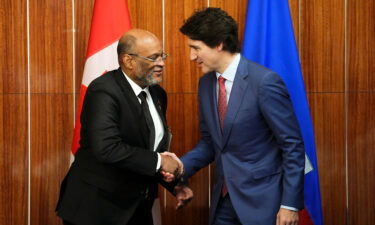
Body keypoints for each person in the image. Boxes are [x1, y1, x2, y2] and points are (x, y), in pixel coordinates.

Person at [178, 8, 305, 225]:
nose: (192, 57)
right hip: (224, 203)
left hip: (265, 204)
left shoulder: (264, 82)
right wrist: (180, 166)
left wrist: (289, 205)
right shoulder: (206, 84)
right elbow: (211, 143)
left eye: (195, 48)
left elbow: (292, 145)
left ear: (218, 44)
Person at [56, 29, 192, 225]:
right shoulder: (103, 90)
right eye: (153, 58)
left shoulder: (158, 94)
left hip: (136, 208)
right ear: (128, 61)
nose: (161, 63)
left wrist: (175, 185)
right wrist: (160, 161)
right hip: (96, 209)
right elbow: (107, 148)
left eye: (162, 56)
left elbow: (151, 151)